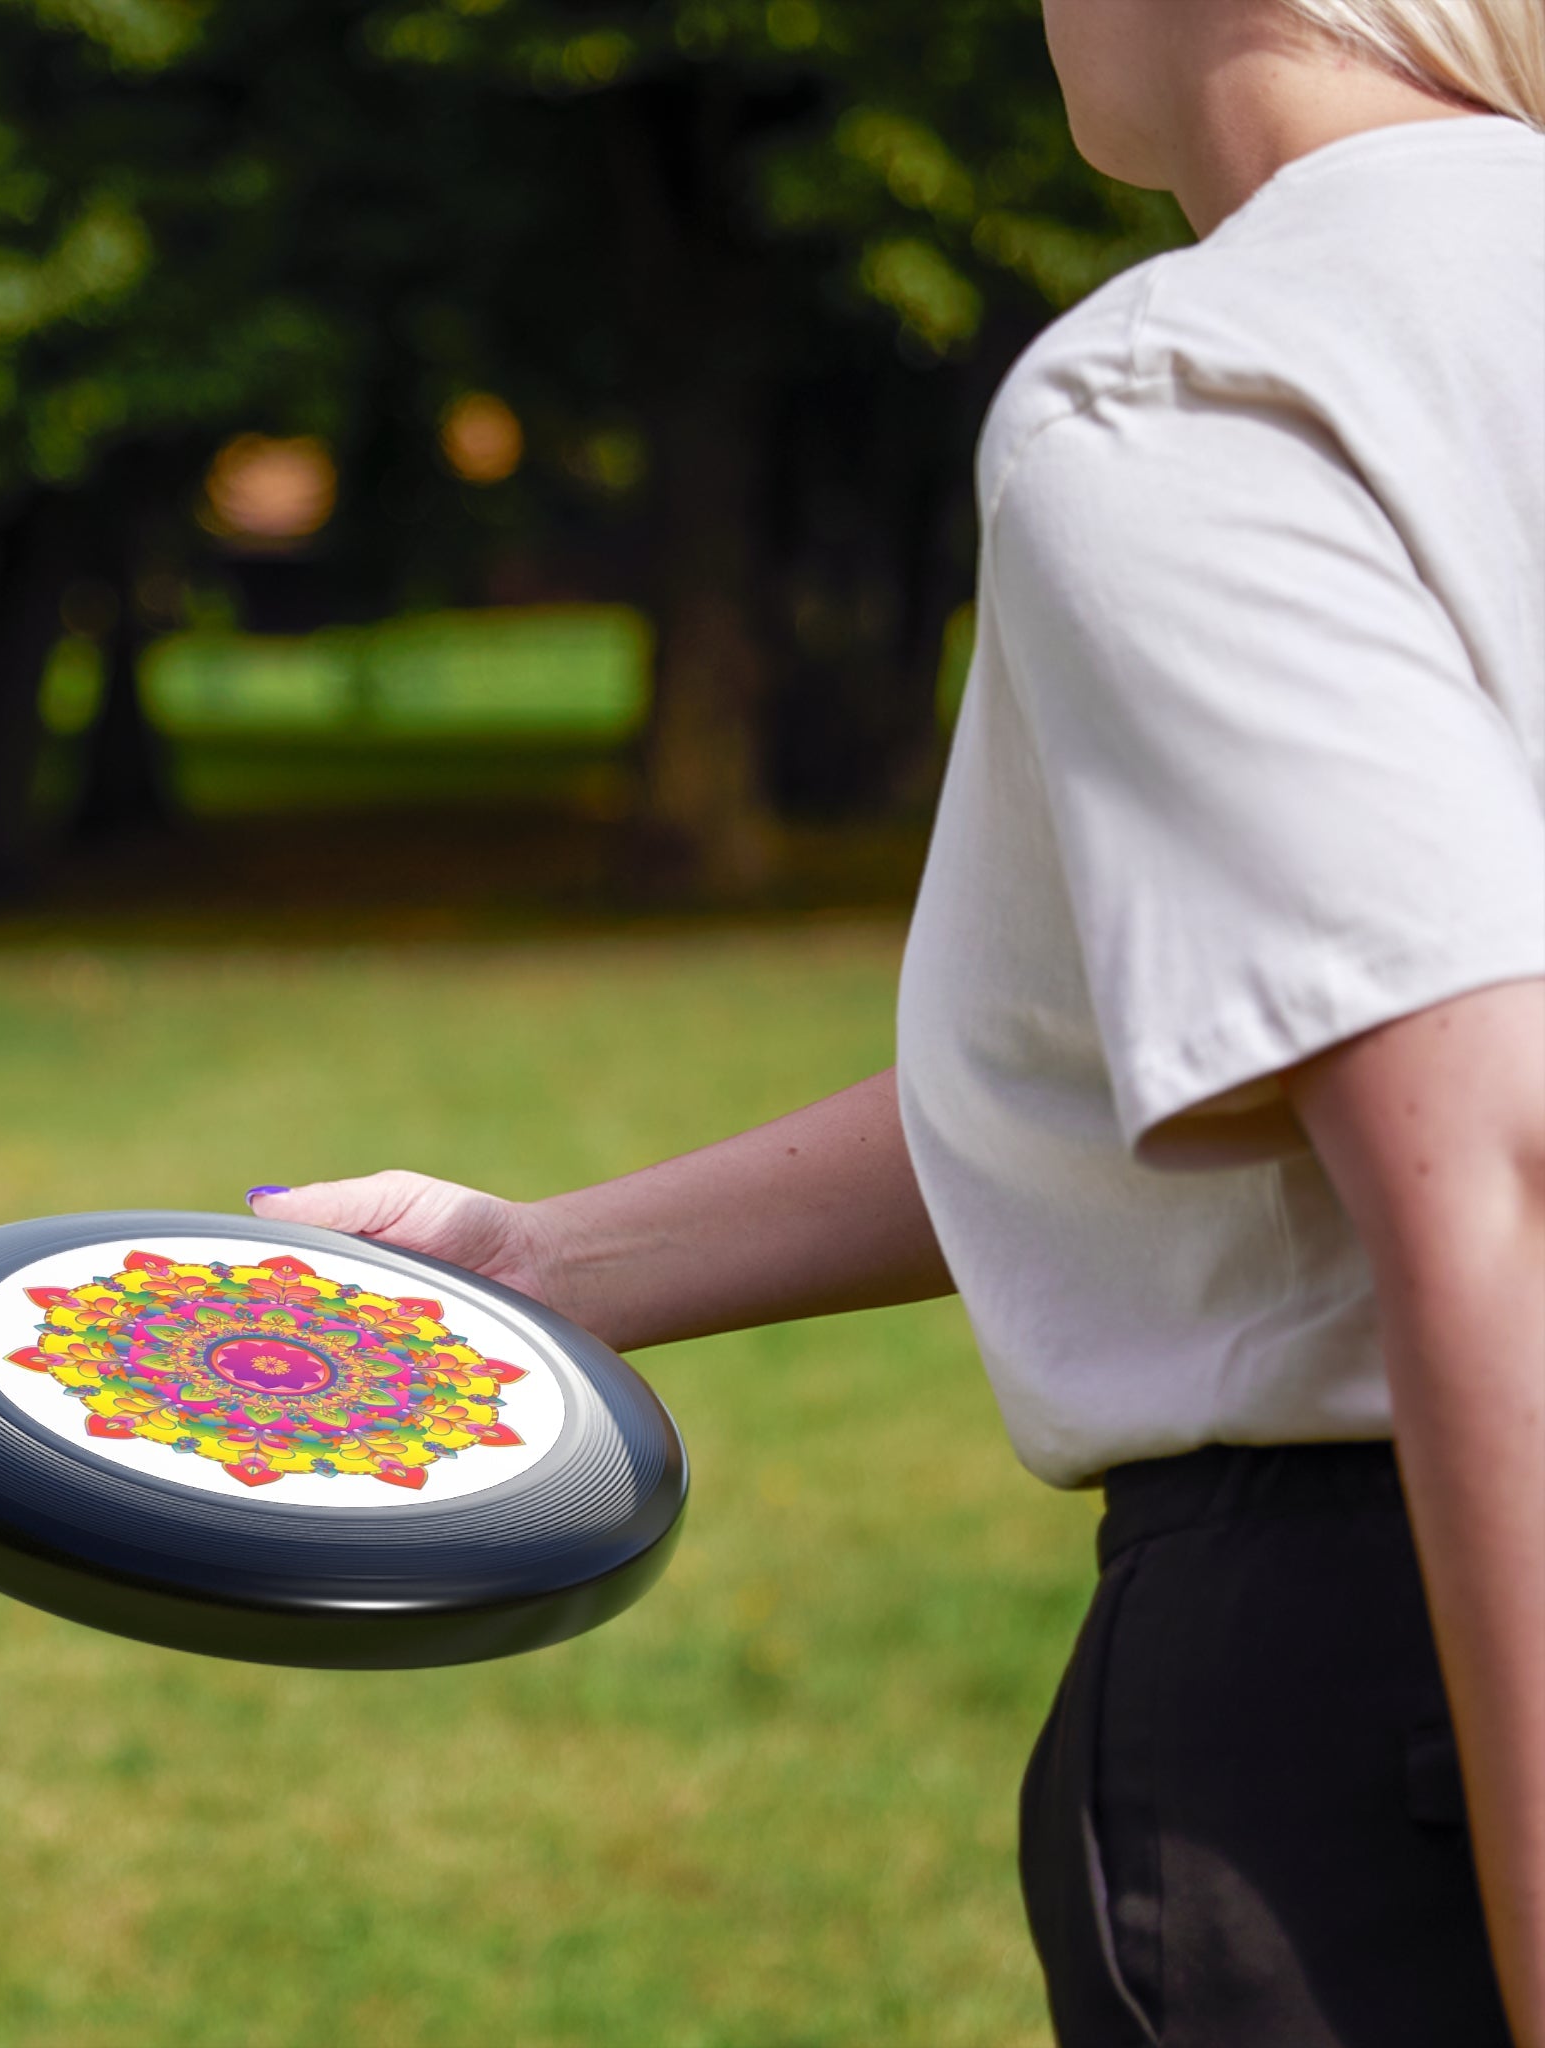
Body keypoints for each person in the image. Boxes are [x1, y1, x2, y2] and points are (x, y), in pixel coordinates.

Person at [245, 2, 1545, 2041]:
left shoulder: (1202, 383)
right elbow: (1232, 1046)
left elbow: (1494, 1164)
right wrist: (544, 1262)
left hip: (1399, 1688)